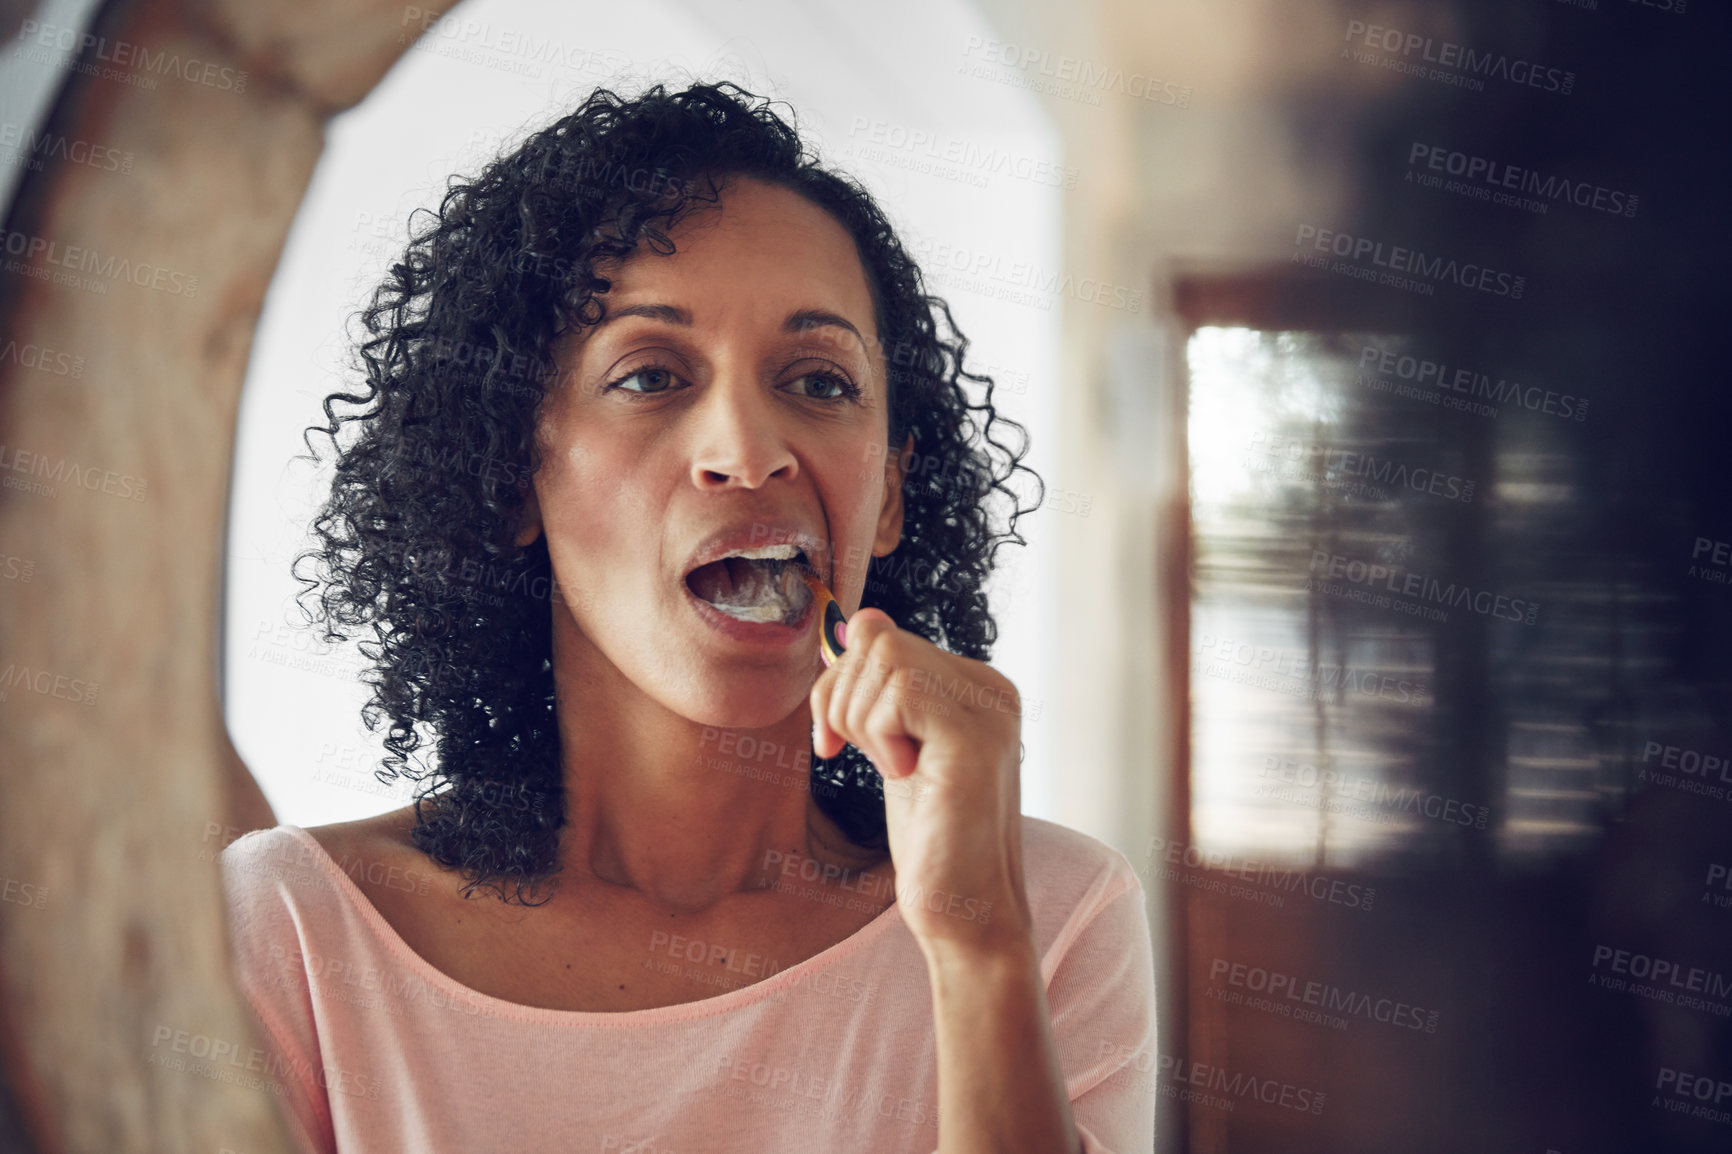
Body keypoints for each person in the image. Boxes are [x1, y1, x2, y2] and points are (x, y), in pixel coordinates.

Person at [219, 80, 1155, 1153]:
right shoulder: (296, 929)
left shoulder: (1052, 915)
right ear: (512, 470)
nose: (747, 450)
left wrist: (980, 946)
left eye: (817, 379)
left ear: (889, 492)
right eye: (652, 374)